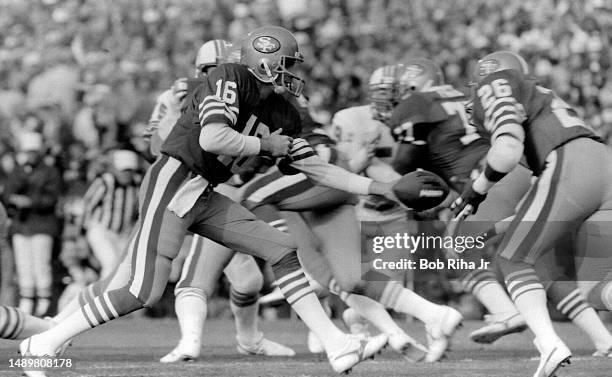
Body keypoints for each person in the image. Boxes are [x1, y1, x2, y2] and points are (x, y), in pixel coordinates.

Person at [20, 26, 397, 375]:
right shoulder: (229, 77)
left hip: (204, 191)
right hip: (175, 180)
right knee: (142, 291)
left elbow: (319, 170)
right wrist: (265, 145)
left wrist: (380, 188)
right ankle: (44, 342)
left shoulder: (282, 112)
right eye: (287, 64)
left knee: (281, 249)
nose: (293, 73)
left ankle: (337, 344)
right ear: (264, 61)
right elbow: (212, 138)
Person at [451, 50, 612, 377]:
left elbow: (507, 150)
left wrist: (477, 189)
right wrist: (490, 230)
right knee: (597, 287)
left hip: (573, 162)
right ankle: (566, 342)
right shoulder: (546, 103)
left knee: (513, 259)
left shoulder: (499, 85)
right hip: (601, 167)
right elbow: (543, 212)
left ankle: (550, 344)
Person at [147, 39, 295, 362]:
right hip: (183, 191)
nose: (218, 79)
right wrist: (176, 115)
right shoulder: (186, 94)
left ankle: (249, 339)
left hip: (222, 191)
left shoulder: (257, 100)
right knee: (138, 282)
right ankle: (56, 327)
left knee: (249, 279)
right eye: (211, 72)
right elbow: (158, 149)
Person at [4, 131, 62, 317]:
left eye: (33, 151)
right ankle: (26, 301)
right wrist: (16, 195)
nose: (30, 155)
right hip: (21, 225)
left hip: (42, 224)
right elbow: (7, 193)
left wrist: (30, 201)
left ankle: (44, 303)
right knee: (24, 266)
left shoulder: (50, 171)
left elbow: (51, 198)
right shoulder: (18, 171)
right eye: (27, 151)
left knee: (41, 264)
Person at [82, 149, 140, 279]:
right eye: (123, 170)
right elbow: (87, 206)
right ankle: (103, 296)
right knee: (110, 261)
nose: (126, 174)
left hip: (124, 233)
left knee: (125, 267)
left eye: (129, 170)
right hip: (101, 228)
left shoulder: (137, 183)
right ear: (114, 169)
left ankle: (116, 296)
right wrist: (82, 233)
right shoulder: (104, 182)